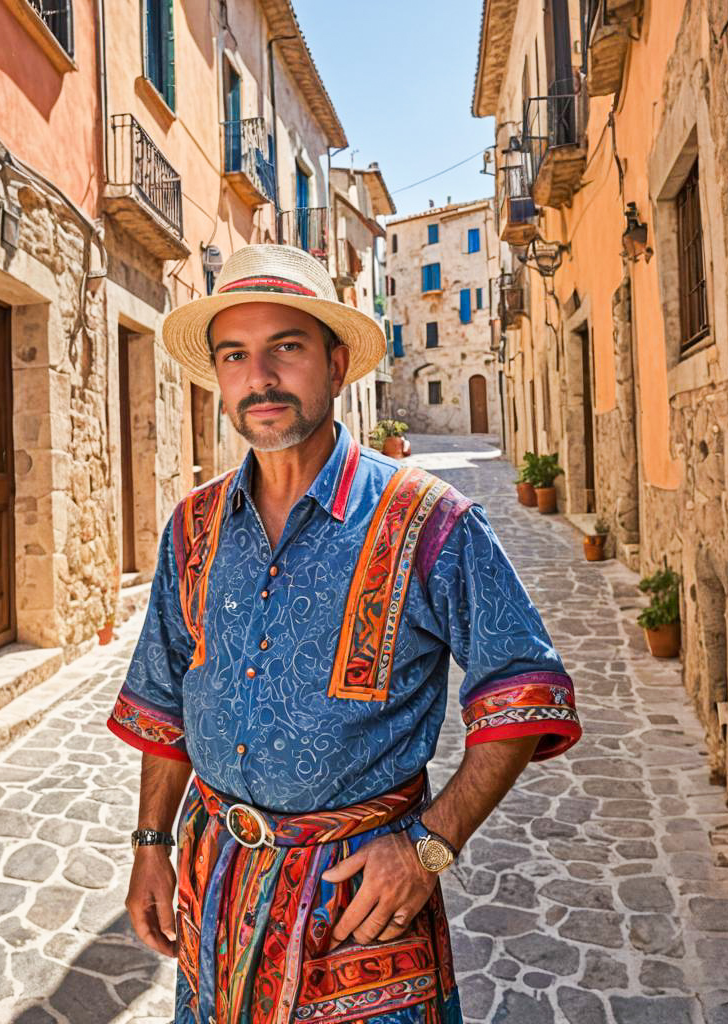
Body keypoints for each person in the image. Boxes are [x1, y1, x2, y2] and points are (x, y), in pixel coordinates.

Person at [107, 244, 582, 1024]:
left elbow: (523, 694)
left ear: (335, 363)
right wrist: (150, 844)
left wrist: (430, 846)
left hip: (360, 904)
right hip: (213, 888)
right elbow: (163, 704)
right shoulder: (192, 528)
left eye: (284, 349)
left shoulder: (433, 522)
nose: (258, 377)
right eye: (235, 355)